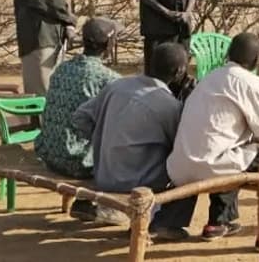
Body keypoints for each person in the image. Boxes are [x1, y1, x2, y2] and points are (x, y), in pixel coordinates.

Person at [167, 33, 259, 252]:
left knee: (234, 148)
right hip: (212, 165)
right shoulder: (249, 82)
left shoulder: (209, 78)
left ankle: (218, 222)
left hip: (179, 166)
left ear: (228, 55)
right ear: (256, 60)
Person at [72, 43, 193, 241]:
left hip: (104, 175)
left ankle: (118, 211)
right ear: (180, 71)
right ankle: (163, 223)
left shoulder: (117, 86)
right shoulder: (169, 105)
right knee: (187, 168)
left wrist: (103, 138)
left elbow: (80, 117)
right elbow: (180, 145)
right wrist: (186, 104)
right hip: (139, 184)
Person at [35, 17, 121, 221]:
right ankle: (107, 206)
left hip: (49, 154)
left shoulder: (62, 69)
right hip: (78, 162)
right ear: (109, 45)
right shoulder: (108, 79)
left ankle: (83, 203)